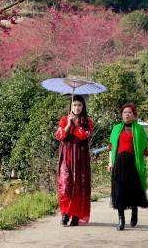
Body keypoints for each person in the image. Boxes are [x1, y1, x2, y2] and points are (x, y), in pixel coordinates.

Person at [109, 103, 148, 231]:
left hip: (133, 164)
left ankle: (134, 210)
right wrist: (110, 162)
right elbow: (111, 147)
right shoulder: (116, 129)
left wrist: (142, 161)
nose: (127, 114)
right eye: (125, 112)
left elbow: (144, 149)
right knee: (119, 192)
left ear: (134, 115)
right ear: (122, 114)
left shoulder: (139, 130)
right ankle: (121, 220)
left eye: (130, 112)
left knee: (132, 190)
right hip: (119, 163)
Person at [56, 95, 93, 227]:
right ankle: (65, 213)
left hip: (80, 158)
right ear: (71, 106)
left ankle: (76, 216)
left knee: (78, 187)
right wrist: (68, 125)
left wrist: (75, 125)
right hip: (66, 156)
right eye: (74, 105)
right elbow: (59, 136)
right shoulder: (64, 119)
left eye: (79, 105)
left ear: (83, 107)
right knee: (65, 186)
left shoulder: (87, 121)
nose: (77, 107)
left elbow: (84, 135)